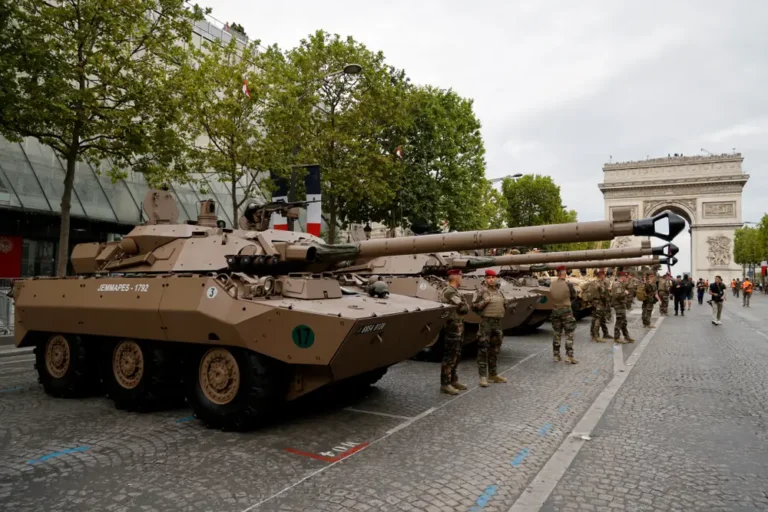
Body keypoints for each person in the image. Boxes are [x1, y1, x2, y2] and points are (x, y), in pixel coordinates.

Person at [472, 269, 508, 387]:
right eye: (488, 278)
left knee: (495, 349)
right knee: (483, 349)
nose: (491, 279)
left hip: (497, 323)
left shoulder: (499, 291)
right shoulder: (481, 291)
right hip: (486, 323)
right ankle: (483, 377)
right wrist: (485, 301)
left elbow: (504, 305)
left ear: (496, 278)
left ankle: (493, 374)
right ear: (485, 279)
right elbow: (474, 307)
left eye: (493, 277)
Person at [439, 269, 470, 395]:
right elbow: (463, 308)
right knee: (450, 356)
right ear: (456, 278)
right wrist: (465, 306)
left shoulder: (455, 291)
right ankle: (445, 384)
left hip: (458, 326)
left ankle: (453, 380)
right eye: (460, 277)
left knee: (456, 355)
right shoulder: (450, 291)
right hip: (452, 327)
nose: (461, 279)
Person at [549, 265, 579, 364]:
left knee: (557, 333)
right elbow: (574, 296)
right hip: (566, 311)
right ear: (564, 273)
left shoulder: (552, 284)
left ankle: (556, 355)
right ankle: (569, 356)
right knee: (569, 333)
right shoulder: (568, 284)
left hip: (555, 311)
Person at [611, 271, 635, 343]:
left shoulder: (621, 284)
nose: (626, 278)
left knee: (624, 321)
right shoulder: (617, 284)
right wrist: (625, 293)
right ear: (622, 277)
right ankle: (616, 337)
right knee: (619, 321)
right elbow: (617, 296)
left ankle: (626, 336)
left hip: (621, 305)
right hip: (618, 305)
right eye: (625, 277)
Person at [590, 269, 612, 342]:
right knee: (598, 319)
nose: (604, 276)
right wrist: (609, 293)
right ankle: (596, 336)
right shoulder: (600, 283)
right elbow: (603, 295)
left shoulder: (593, 282)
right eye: (603, 275)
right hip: (600, 303)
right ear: (601, 275)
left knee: (600, 319)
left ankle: (605, 333)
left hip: (594, 303)